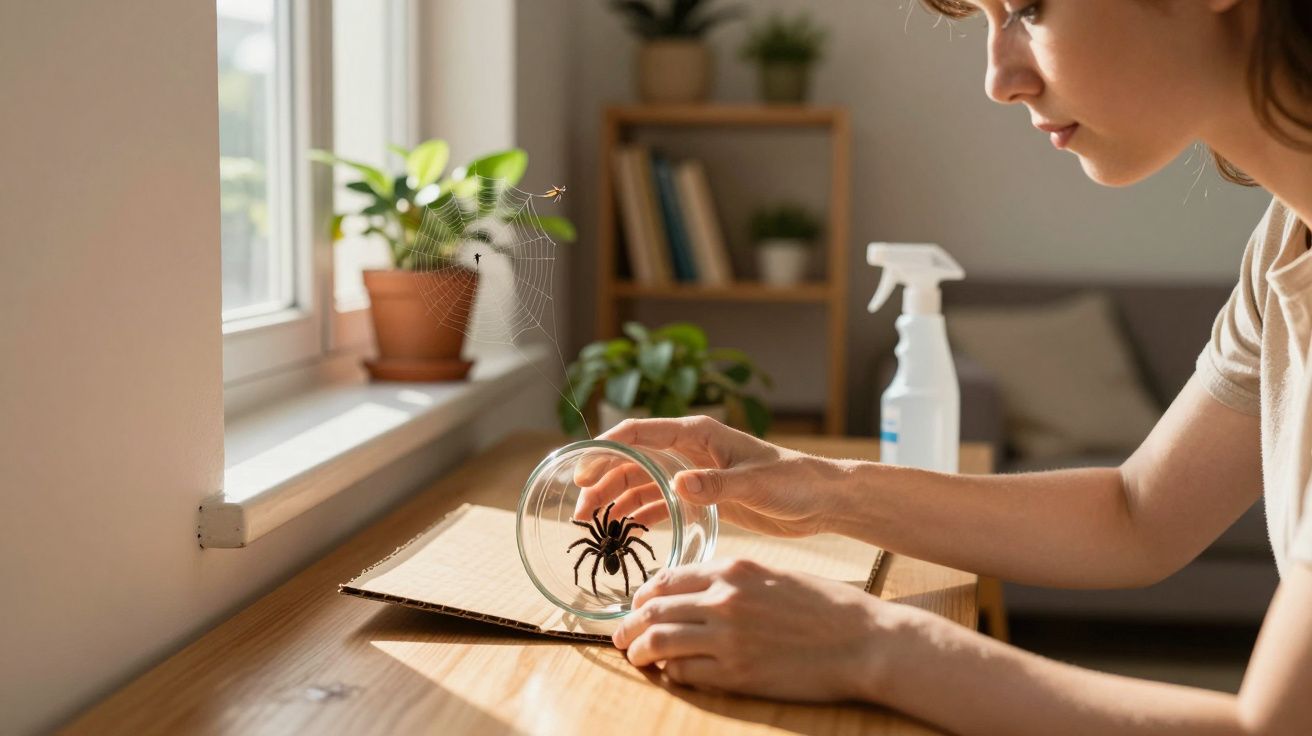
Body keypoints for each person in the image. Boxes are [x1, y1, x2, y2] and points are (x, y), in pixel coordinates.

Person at [584, 1, 1312, 732]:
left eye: (1029, 7)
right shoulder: (1288, 236)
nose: (998, 78)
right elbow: (1137, 515)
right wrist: (823, 489)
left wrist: (864, 643)